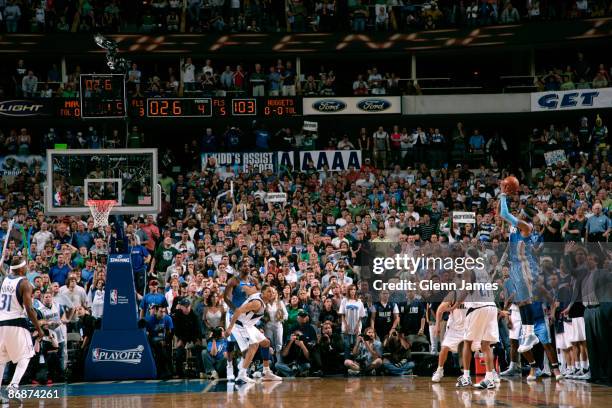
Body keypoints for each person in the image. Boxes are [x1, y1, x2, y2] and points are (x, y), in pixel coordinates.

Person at [498, 182, 540, 353]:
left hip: (525, 265)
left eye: (521, 212)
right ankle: (529, 334)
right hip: (516, 265)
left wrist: (503, 194)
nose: (519, 212)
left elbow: (504, 213)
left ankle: (530, 333)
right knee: (521, 301)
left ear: (524, 215)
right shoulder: (516, 227)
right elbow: (503, 218)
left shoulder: (526, 226)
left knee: (526, 300)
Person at [0, 258, 44, 404]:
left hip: (1, 324)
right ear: (20, 269)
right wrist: (39, 328)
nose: (27, 269)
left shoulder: (5, 279)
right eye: (25, 267)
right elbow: (30, 309)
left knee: (1, 361)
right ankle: (13, 386)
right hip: (16, 323)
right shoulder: (24, 283)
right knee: (27, 354)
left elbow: (5, 272)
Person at [455, 248, 500, 389]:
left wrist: (456, 304)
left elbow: (466, 288)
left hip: (478, 307)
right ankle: (489, 378)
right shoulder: (484, 271)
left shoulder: (468, 270)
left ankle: (466, 376)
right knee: (485, 345)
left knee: (467, 342)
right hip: (491, 306)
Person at [225, 285, 282, 383]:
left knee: (266, 343)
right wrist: (229, 328)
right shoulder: (257, 303)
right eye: (269, 291)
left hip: (248, 325)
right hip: (239, 325)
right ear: (263, 293)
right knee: (254, 345)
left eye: (273, 292)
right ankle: (241, 375)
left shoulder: (261, 299)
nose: (271, 293)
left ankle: (266, 371)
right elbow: (238, 311)